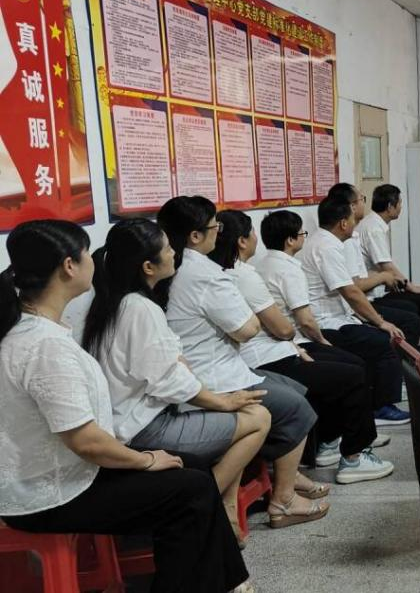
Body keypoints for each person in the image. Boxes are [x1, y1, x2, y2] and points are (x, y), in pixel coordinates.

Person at [0, 220, 251, 593]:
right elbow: (86, 442)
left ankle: (230, 582)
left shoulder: (35, 327)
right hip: (48, 495)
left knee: (193, 468)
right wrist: (146, 460)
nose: (94, 260)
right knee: (189, 491)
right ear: (69, 266)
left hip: (57, 474)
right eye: (87, 253)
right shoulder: (44, 346)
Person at [81, 218, 271, 545]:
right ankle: (205, 502)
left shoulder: (111, 302)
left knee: (241, 411)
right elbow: (169, 381)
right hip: (144, 428)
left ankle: (222, 507)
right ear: (148, 267)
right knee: (259, 417)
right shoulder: (140, 308)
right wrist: (223, 401)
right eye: (168, 249)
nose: (174, 254)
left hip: (129, 419)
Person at [157, 196, 328, 528]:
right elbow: (247, 329)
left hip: (207, 369)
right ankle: (283, 500)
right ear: (195, 235)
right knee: (297, 408)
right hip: (212, 378)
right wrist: (248, 318)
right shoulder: (204, 273)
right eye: (214, 227)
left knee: (293, 387)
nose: (218, 232)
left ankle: (285, 475)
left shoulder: (172, 266)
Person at [211, 210, 393, 485]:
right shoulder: (247, 274)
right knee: (353, 372)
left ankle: (329, 440)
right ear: (242, 241)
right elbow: (285, 328)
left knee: (347, 365)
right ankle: (355, 457)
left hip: (270, 350)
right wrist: (308, 342)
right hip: (266, 355)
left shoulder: (245, 269)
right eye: (251, 232)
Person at [257, 210, 408, 433]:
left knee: (362, 352)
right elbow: (306, 321)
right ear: (290, 240)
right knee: (363, 359)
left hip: (295, 337)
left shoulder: (262, 265)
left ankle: (340, 431)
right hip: (303, 336)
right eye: (301, 234)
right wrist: (322, 342)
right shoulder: (289, 269)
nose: (304, 237)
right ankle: (367, 426)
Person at [298, 196, 412, 426]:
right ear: (343, 223)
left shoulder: (325, 241)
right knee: (384, 341)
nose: (355, 223)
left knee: (382, 331)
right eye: (352, 218)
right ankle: (381, 407)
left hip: (338, 317)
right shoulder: (326, 247)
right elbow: (351, 292)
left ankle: (378, 395)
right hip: (326, 323)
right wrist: (380, 322)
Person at [328, 183, 420, 347]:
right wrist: (385, 278)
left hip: (365, 298)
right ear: (351, 207)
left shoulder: (353, 235)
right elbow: (356, 287)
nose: (364, 204)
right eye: (361, 199)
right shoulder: (349, 240)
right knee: (413, 315)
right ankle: (409, 359)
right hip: (355, 306)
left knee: (412, 308)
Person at [357, 183, 420, 346]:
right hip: (372, 294)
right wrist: (412, 287)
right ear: (390, 206)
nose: (401, 207)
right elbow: (386, 266)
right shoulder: (373, 229)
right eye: (400, 203)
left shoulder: (374, 224)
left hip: (379, 288)